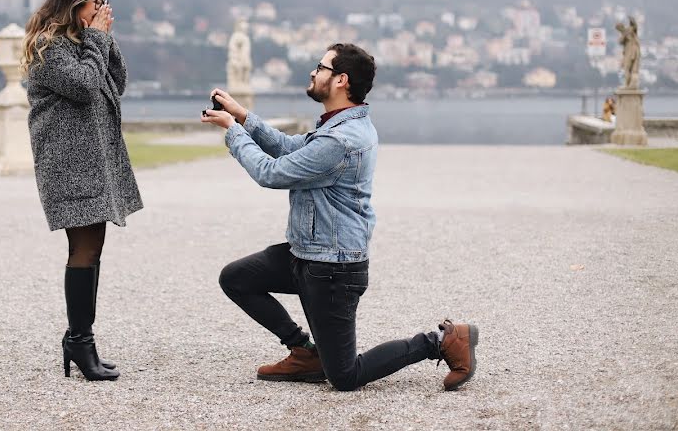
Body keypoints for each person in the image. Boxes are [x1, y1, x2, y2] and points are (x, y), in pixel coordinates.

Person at [201, 43, 478, 392]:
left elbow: (271, 174)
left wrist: (233, 130)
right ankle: (305, 351)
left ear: (340, 80)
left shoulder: (342, 139)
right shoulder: (337, 125)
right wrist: (243, 116)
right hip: (306, 255)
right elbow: (291, 148)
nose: (313, 72)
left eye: (321, 67)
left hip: (334, 270)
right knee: (237, 278)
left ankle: (440, 341)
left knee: (344, 377)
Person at [22, 0, 143, 382]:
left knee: (94, 247)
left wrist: (103, 38)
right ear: (74, 4)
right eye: (96, 3)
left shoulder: (81, 42)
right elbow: (86, 86)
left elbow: (117, 83)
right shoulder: (48, 48)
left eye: (104, 4)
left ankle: (80, 339)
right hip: (69, 164)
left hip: (93, 160)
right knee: (85, 249)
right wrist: (97, 38)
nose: (102, 10)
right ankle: (80, 342)